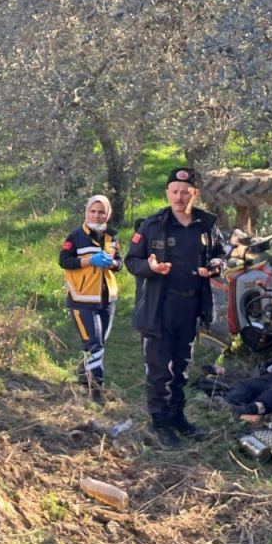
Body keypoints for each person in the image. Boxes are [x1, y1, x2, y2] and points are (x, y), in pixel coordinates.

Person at [125, 167, 226, 447]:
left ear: (195, 193)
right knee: (160, 369)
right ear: (167, 193)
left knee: (182, 367)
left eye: (185, 192)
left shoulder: (206, 224)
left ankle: (177, 417)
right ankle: (160, 423)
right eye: (175, 192)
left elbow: (219, 255)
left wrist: (216, 267)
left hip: (191, 305)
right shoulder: (152, 224)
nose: (179, 197)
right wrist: (151, 267)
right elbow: (131, 261)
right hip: (160, 306)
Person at [58, 195, 122, 401]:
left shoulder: (112, 237)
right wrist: (89, 260)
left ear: (107, 214)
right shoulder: (75, 236)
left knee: (97, 343)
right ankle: (96, 390)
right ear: (86, 212)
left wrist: (111, 264)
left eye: (101, 212)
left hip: (106, 298)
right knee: (94, 344)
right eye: (93, 211)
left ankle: (83, 379)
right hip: (82, 298)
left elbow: (119, 264)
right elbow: (64, 261)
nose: (96, 215)